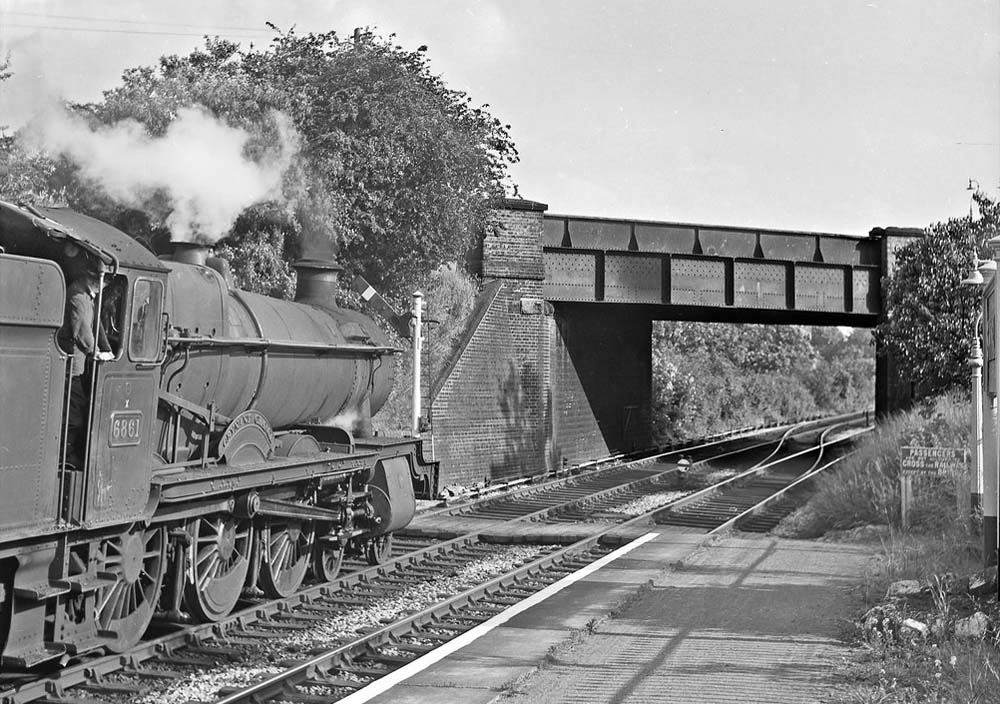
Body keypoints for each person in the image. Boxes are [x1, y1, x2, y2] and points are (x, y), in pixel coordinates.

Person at [59, 256, 113, 467]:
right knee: (74, 417)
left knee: (78, 411)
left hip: (78, 367)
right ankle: (66, 458)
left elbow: (95, 325)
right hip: (71, 368)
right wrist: (97, 353)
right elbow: (82, 330)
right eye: (103, 282)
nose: (104, 288)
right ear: (93, 278)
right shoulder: (78, 296)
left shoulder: (87, 297)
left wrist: (107, 348)